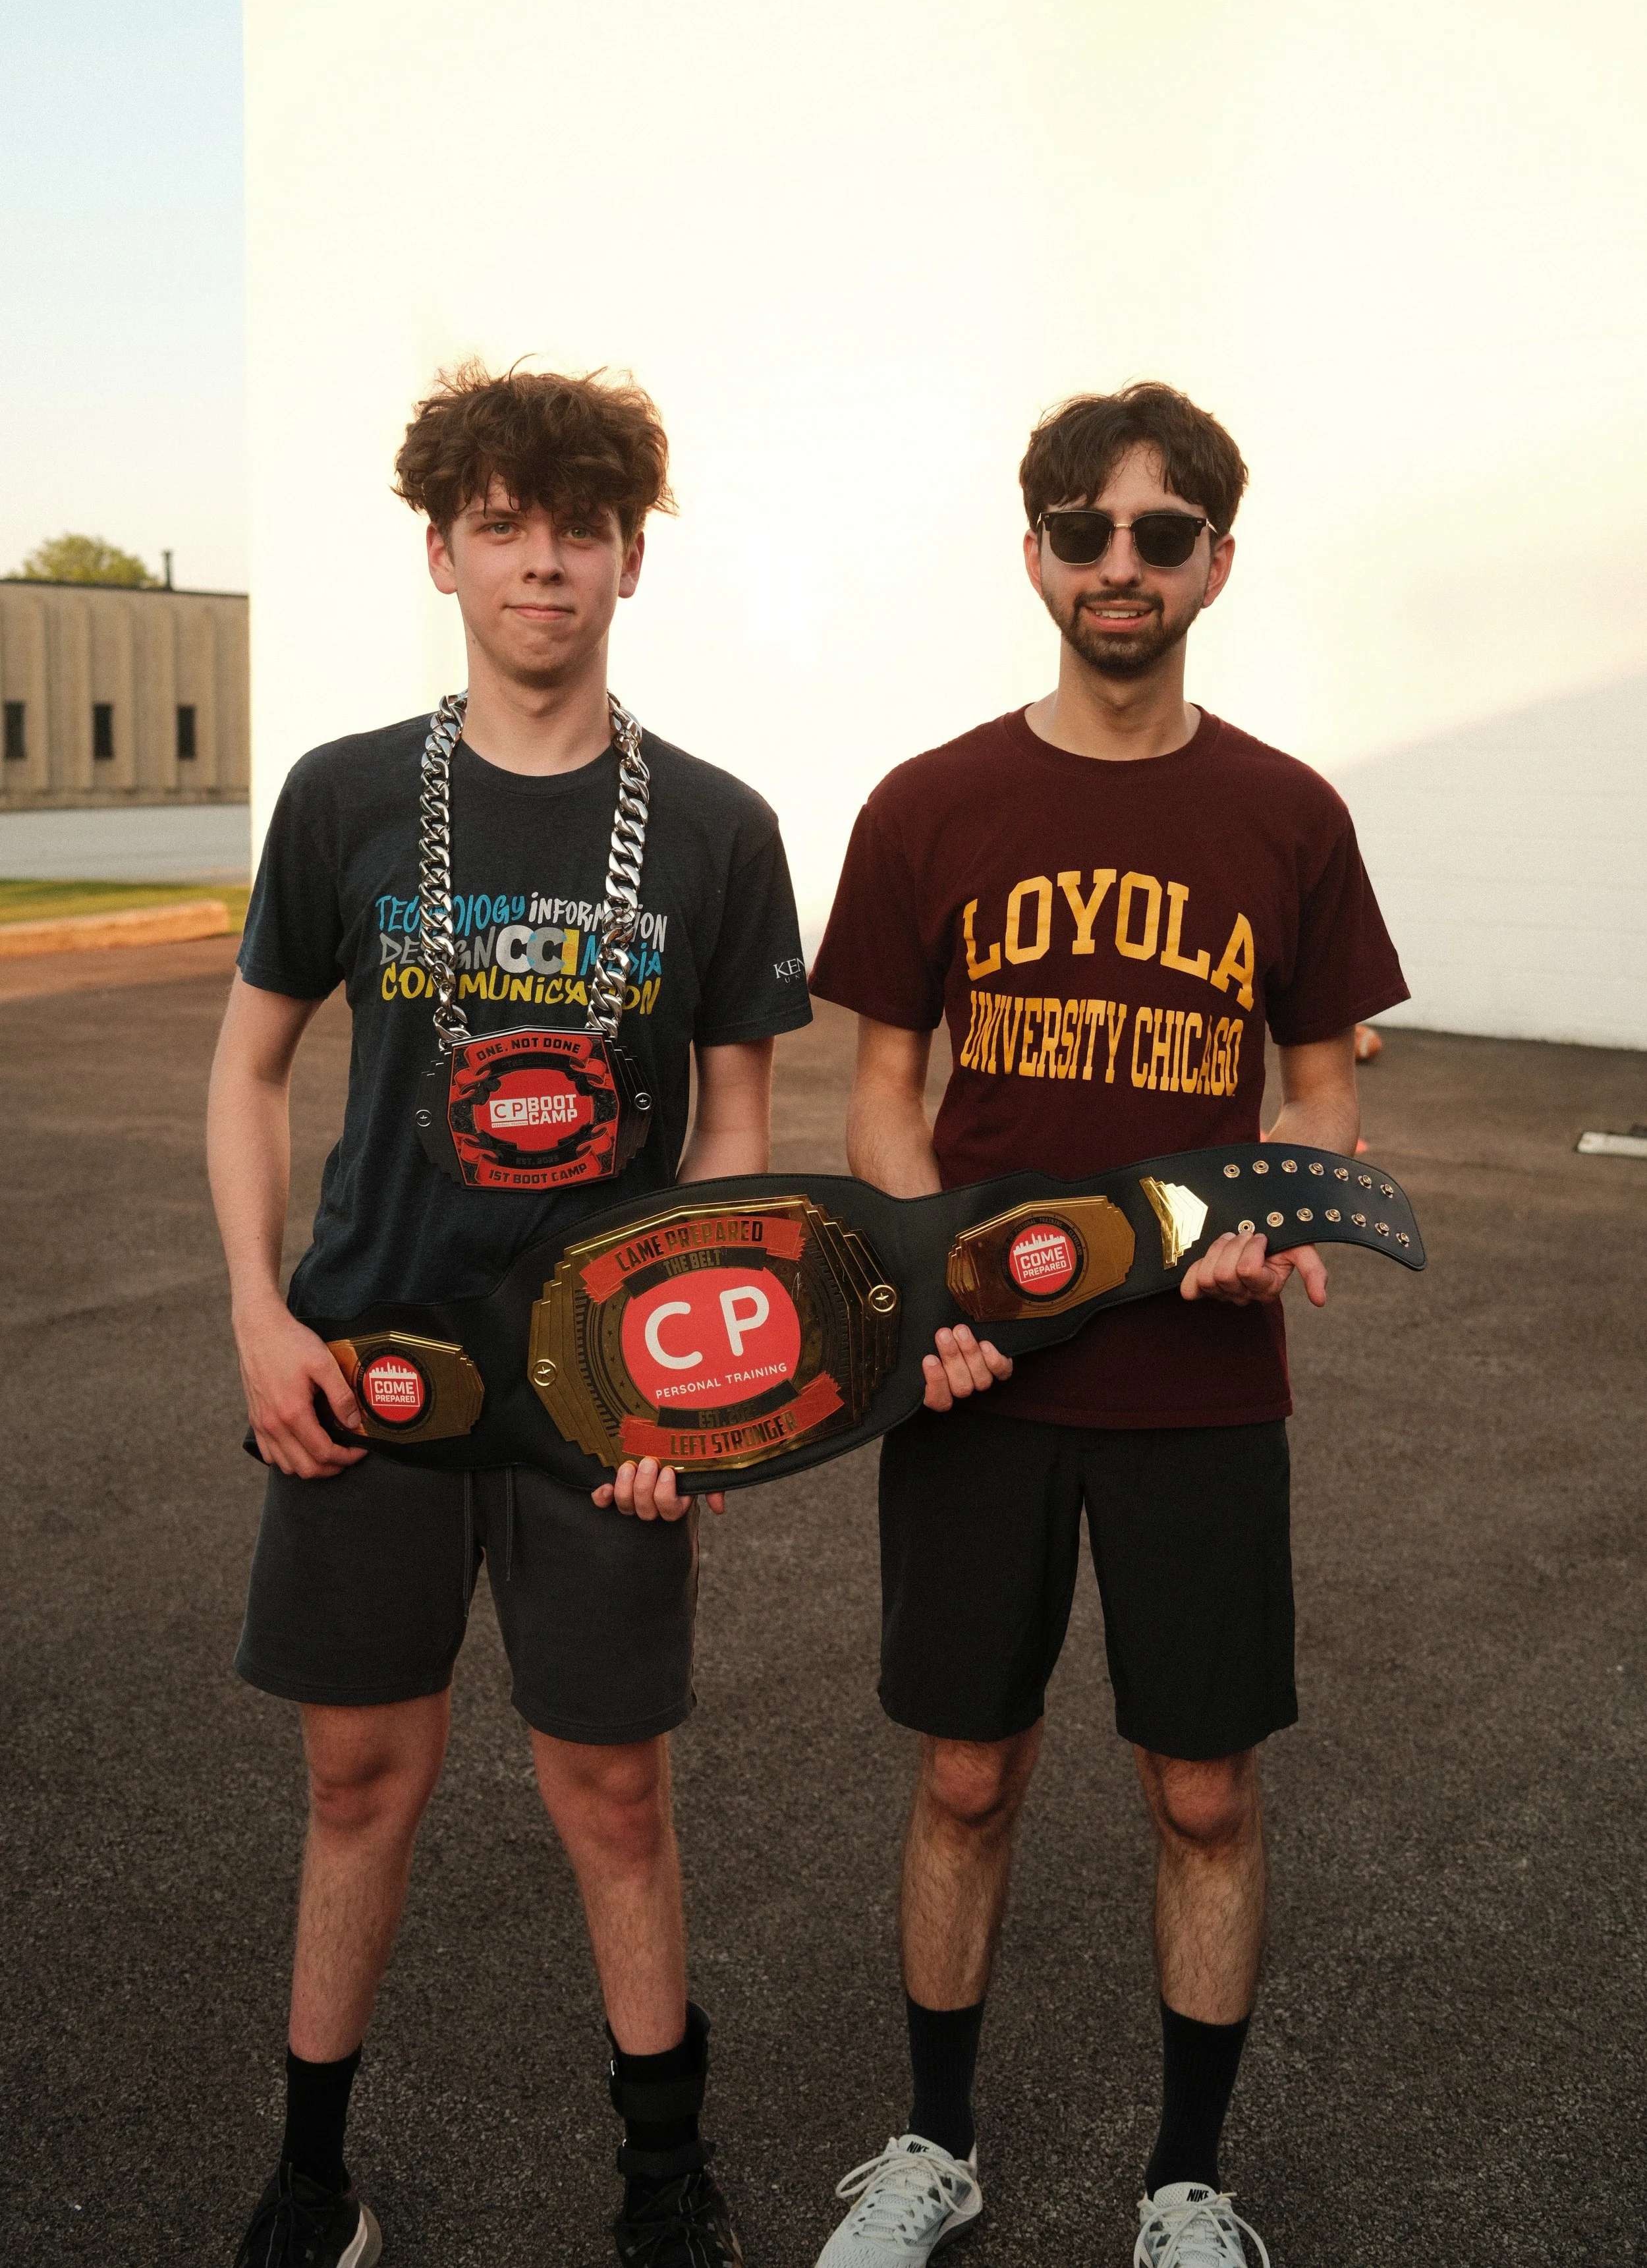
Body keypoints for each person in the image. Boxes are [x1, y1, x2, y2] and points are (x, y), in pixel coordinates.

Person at [209, 364, 812, 2268]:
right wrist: (254, 1312)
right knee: (354, 1777)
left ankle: (662, 2191)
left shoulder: (713, 825)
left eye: (578, 526)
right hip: (369, 1364)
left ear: (630, 553)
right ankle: (314, 2180)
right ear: (444, 549)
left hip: (601, 1396)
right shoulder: (344, 796)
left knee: (611, 1787)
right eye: (500, 523)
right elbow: (244, 1076)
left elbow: (731, 1130)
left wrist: (703, 1395)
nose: (541, 560)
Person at [805, 383, 1408, 2268]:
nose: (1119, 564)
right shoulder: (928, 804)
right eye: (1084, 529)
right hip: (982, 1382)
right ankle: (930, 2149)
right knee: (966, 1769)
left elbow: (1323, 1093)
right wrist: (922, 1305)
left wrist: (1261, 1211)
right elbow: (884, 1093)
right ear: (1034, 556)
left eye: (1161, 532)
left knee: (1204, 1787)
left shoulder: (1288, 815)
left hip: (1201, 1381)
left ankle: (1183, 2183)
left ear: (1217, 558)